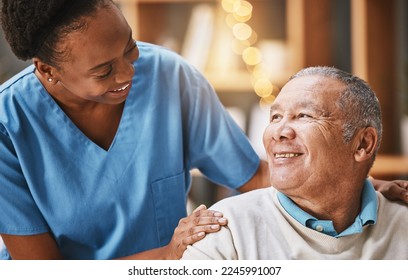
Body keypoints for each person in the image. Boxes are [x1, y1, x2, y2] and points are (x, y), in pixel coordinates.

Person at [0, 1, 405, 260]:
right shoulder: (8, 125)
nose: (128, 74)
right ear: (47, 70)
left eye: (129, 48)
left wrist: (356, 185)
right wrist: (165, 256)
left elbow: (255, 177)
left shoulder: (169, 77)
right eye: (103, 70)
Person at [181, 66, 408, 260]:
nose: (278, 132)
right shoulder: (225, 231)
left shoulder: (402, 222)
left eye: (304, 116)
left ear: (362, 145)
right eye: (275, 117)